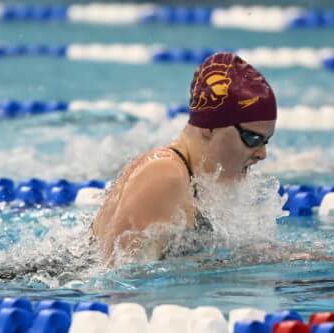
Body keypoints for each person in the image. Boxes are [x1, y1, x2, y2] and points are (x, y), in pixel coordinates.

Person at [92, 52, 277, 266]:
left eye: (266, 141)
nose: (262, 154)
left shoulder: (190, 180)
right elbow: (119, 276)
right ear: (210, 127)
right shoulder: (164, 174)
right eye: (252, 138)